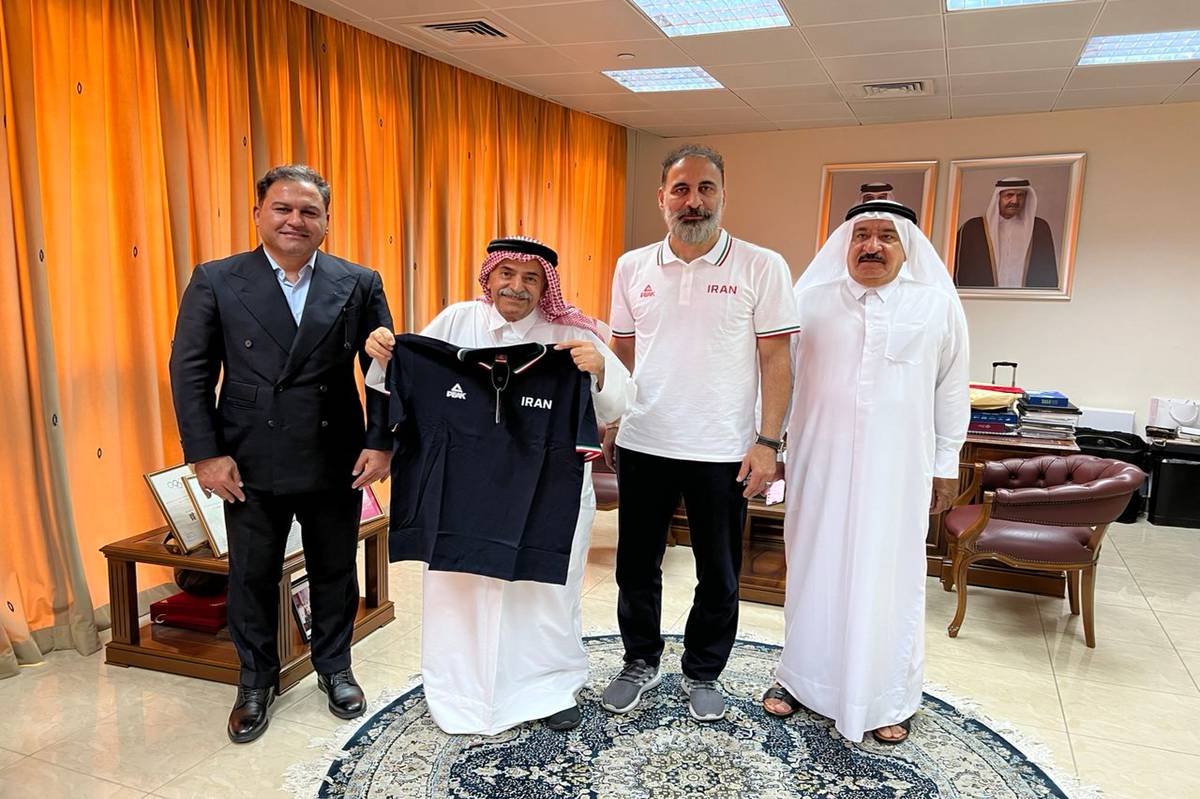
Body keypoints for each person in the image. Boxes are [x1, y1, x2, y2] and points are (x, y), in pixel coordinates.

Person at [363, 236, 633, 734]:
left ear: (546, 287)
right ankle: (459, 688)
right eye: (507, 273)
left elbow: (621, 404)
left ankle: (550, 687)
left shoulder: (574, 334)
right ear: (489, 277)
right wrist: (383, 353)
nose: (517, 286)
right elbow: (397, 381)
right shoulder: (456, 321)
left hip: (548, 493)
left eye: (531, 278)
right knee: (460, 588)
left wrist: (599, 372)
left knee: (544, 594)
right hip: (463, 492)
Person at [169, 165, 393, 743]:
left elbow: (383, 370)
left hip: (335, 452)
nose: (295, 220)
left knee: (334, 568)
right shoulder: (217, 279)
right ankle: (254, 681)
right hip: (248, 456)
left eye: (309, 211)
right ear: (258, 214)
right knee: (252, 573)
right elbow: (190, 371)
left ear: (326, 221)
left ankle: (335, 667)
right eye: (283, 208)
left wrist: (380, 442)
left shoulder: (359, 281)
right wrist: (205, 454)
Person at [602, 144, 799, 722]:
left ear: (723, 196)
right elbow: (622, 351)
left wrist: (768, 442)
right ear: (661, 197)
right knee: (636, 565)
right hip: (644, 441)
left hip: (723, 449)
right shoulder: (632, 266)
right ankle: (639, 660)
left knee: (719, 570)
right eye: (681, 189)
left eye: (705, 188)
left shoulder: (761, 266)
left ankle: (704, 670)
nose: (694, 201)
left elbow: (777, 360)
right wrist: (614, 419)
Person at [761, 200, 970, 745]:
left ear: (906, 247)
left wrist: (946, 464)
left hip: (899, 469)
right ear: (845, 244)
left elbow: (951, 390)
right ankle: (800, 679)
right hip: (819, 463)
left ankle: (886, 696)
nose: (871, 246)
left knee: (889, 575)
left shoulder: (935, 306)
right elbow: (777, 378)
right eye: (861, 236)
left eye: (885, 237)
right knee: (814, 567)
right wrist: (771, 445)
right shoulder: (809, 301)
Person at [955, 177, 1058, 288]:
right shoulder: (972, 228)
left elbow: (1048, 271)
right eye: (1009, 195)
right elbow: (958, 271)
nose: (1015, 201)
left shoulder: (1039, 228)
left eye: (1020, 196)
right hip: (982, 297)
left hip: (1026, 298)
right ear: (998, 197)